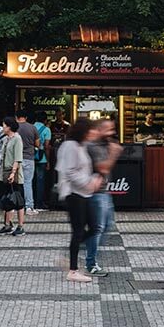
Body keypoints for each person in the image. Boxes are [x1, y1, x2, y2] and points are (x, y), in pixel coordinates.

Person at [56, 117, 103, 282]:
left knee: (94, 227)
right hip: (74, 194)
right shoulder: (71, 146)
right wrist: (89, 182)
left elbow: (81, 169)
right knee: (78, 231)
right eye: (91, 130)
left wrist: (93, 179)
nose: (94, 133)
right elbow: (70, 172)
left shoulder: (80, 146)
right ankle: (73, 270)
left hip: (83, 193)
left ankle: (70, 259)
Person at [84, 118, 122, 277]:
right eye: (108, 129)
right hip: (95, 193)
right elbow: (103, 168)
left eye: (112, 129)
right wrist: (113, 154)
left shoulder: (103, 145)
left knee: (106, 225)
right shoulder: (93, 146)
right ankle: (90, 262)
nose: (111, 132)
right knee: (98, 228)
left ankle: (84, 246)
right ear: (99, 130)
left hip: (103, 192)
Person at [0, 116, 27, 236]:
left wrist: (13, 172)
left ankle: (20, 225)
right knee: (7, 198)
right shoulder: (5, 139)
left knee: (18, 199)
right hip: (4, 171)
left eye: (4, 125)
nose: (3, 127)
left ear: (9, 126)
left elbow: (18, 158)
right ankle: (7, 224)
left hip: (14, 173)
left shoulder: (17, 139)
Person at [16, 110, 40, 215]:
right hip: (29, 158)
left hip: (16, 159)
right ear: (26, 117)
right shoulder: (32, 128)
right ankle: (29, 207)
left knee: (16, 182)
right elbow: (38, 144)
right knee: (27, 183)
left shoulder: (14, 127)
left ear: (16, 117)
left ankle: (15, 205)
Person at [33, 111, 52, 211]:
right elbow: (46, 147)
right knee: (40, 182)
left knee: (31, 181)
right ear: (45, 120)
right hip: (42, 158)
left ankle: (30, 203)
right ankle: (39, 204)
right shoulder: (47, 129)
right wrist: (48, 161)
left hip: (30, 158)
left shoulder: (31, 127)